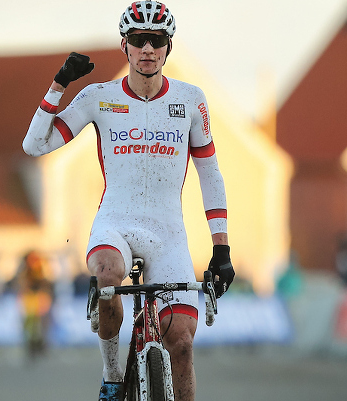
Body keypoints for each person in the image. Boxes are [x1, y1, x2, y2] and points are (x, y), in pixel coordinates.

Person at [21, 2, 234, 400]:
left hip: (168, 234)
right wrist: (59, 83)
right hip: (115, 223)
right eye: (139, 40)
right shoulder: (98, 96)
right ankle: (112, 375)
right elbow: (34, 145)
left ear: (168, 47)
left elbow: (210, 173)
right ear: (125, 46)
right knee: (107, 273)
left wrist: (220, 248)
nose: (148, 49)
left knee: (183, 345)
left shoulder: (191, 100)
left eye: (157, 40)